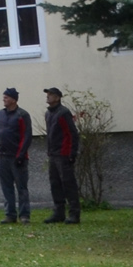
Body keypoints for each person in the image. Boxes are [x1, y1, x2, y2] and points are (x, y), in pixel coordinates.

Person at [0, 87, 33, 224]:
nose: (3, 99)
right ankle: (10, 214)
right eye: (3, 97)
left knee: (21, 187)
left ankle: (24, 215)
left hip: (17, 157)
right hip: (2, 156)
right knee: (6, 187)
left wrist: (20, 155)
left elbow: (27, 136)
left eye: (6, 97)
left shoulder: (22, 115)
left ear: (13, 99)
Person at [42, 87, 81, 225]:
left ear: (58, 97)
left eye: (51, 94)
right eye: (47, 94)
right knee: (55, 184)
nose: (48, 97)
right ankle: (59, 212)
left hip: (63, 154)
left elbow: (72, 134)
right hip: (53, 154)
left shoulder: (63, 113)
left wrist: (71, 153)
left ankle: (74, 213)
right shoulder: (48, 113)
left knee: (68, 184)